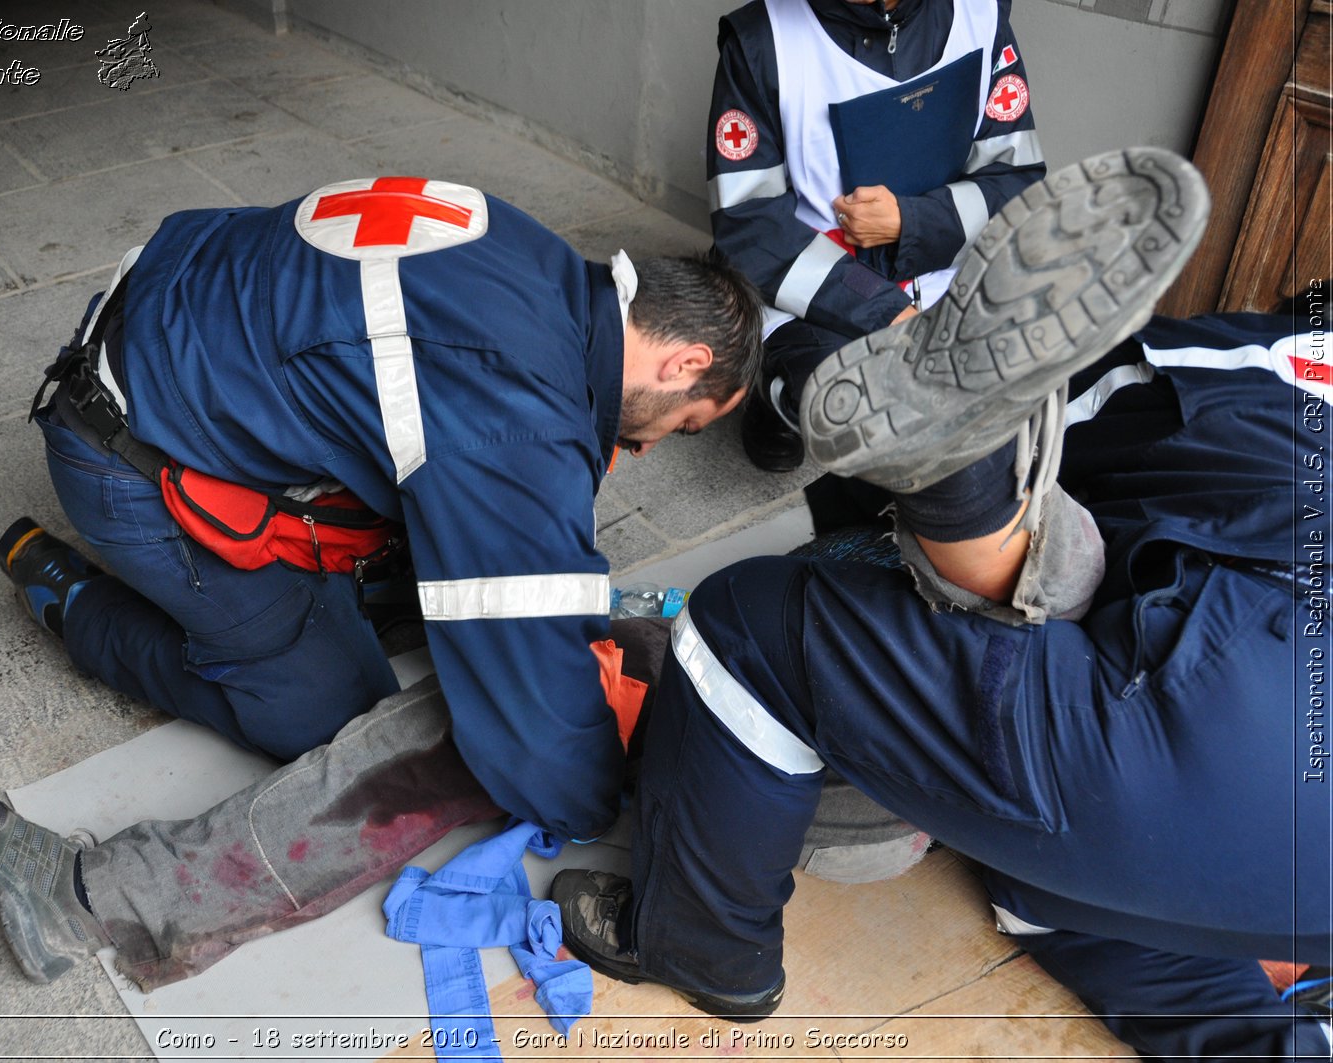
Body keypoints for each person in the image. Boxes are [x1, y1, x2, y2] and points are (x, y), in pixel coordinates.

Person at [553, 147, 1333, 1058]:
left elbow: (1018, 488)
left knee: (750, 626)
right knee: (1062, 882)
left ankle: (701, 948)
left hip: (1239, 714)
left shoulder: (1240, 360)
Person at [0, 176, 762, 984]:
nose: (653, 447)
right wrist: (597, 786)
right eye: (685, 422)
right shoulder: (516, 407)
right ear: (684, 359)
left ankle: (249, 600)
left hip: (165, 326)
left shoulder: (541, 269)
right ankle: (80, 605)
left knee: (441, 580)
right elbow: (535, 714)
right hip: (128, 457)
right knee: (330, 712)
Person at [708, 0, 1046, 476]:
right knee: (863, 407)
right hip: (814, 296)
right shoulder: (764, 38)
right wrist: (889, 314)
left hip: (946, 275)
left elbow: (1017, 181)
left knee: (1024, 387)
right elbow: (749, 225)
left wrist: (913, 222)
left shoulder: (980, 14)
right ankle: (770, 384)